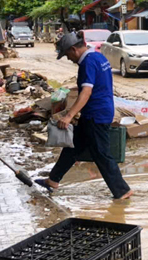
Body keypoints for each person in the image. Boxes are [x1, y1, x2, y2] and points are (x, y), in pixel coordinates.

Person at [36, 32, 133, 200]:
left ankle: (122, 191)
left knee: (101, 153)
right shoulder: (98, 57)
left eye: (67, 55)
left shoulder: (87, 63)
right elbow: (95, 86)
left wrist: (69, 116)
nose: (68, 59)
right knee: (73, 147)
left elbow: (87, 92)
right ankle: (53, 180)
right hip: (99, 111)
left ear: (74, 49)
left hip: (96, 114)